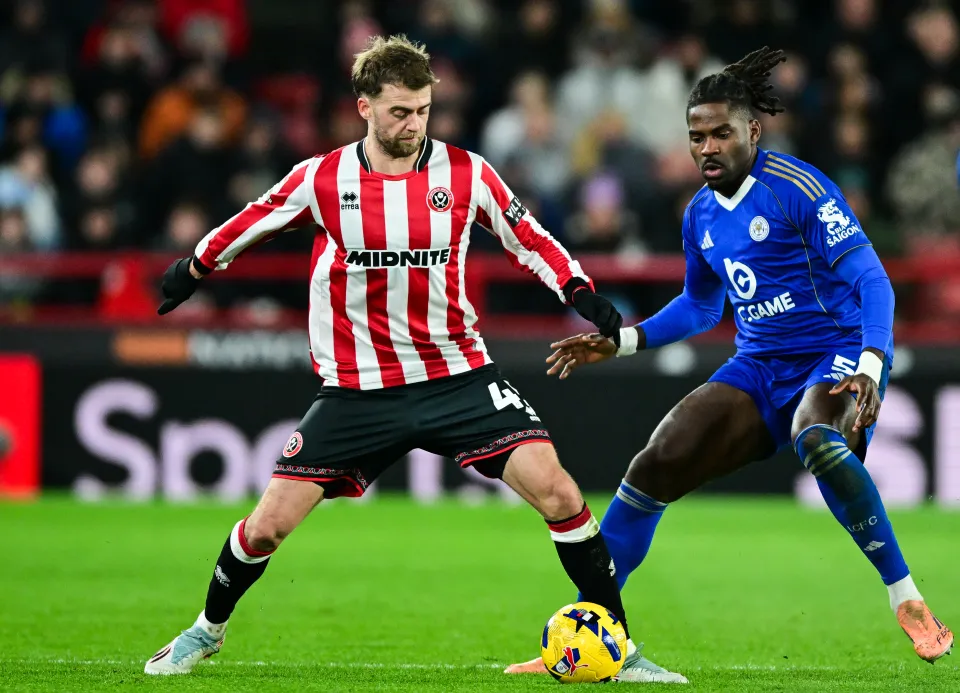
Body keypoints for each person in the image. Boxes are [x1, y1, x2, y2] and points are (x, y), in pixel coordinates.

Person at [143, 35, 686, 684]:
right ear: (364, 107)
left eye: (424, 109)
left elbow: (527, 235)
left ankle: (619, 647)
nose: (414, 123)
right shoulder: (323, 178)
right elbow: (252, 219)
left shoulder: (466, 173)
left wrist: (578, 290)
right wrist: (195, 265)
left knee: (559, 489)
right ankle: (207, 629)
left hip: (458, 374)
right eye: (400, 111)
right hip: (358, 387)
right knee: (265, 528)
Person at [506, 47, 953, 675]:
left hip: (838, 353)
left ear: (753, 130)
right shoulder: (700, 215)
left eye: (721, 132)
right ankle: (590, 635)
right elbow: (699, 305)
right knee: (652, 467)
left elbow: (874, 280)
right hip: (758, 365)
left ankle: (905, 596)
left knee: (817, 438)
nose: (708, 147)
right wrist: (625, 341)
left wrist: (873, 365)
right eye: (697, 137)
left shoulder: (798, 189)